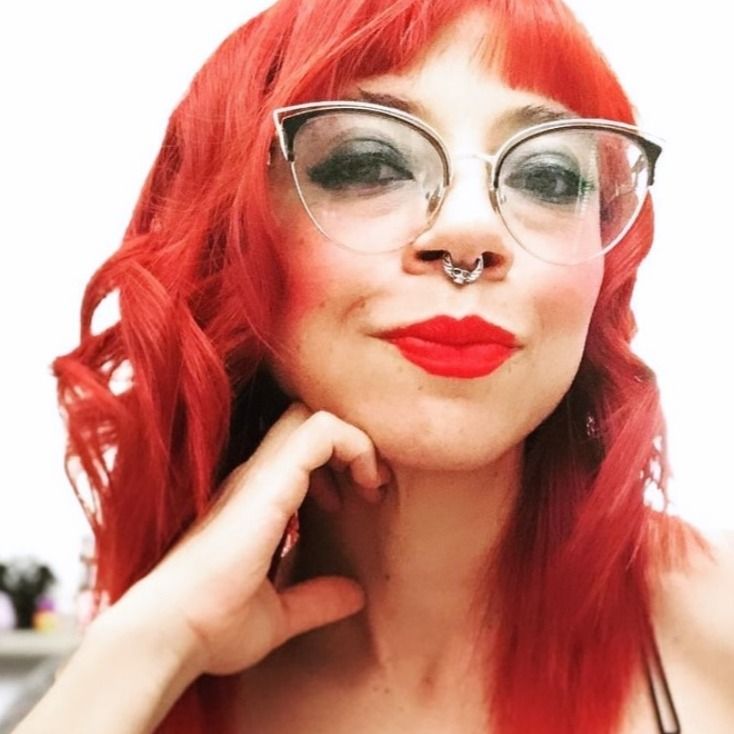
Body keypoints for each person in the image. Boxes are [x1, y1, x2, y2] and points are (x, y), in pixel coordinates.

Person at [14, 0, 734, 732]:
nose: (469, 230)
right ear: (231, 243)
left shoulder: (717, 623)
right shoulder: (144, 678)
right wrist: (152, 641)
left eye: (547, 177)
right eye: (369, 163)